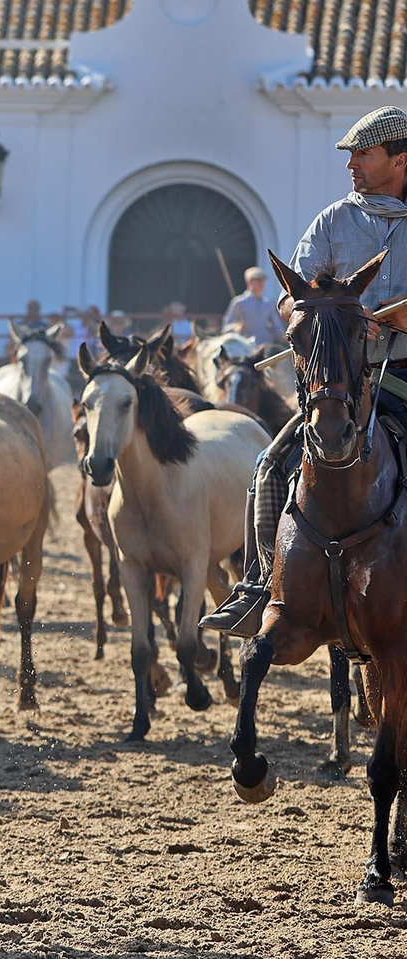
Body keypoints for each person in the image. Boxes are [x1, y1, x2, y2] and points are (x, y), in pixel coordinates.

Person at [205, 105, 407, 635]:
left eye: (363, 154)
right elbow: (288, 300)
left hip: (405, 375)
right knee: (270, 467)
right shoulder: (333, 221)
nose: (352, 165)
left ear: (400, 159)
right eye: (350, 156)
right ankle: (258, 586)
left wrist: (385, 317)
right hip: (342, 383)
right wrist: (312, 314)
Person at [222, 265, 282, 346]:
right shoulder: (239, 303)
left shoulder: (269, 303)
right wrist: (235, 327)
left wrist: (284, 336)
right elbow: (225, 328)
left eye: (263, 281)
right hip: (246, 348)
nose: (261, 284)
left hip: (266, 347)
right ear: (249, 282)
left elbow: (277, 327)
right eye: (258, 281)